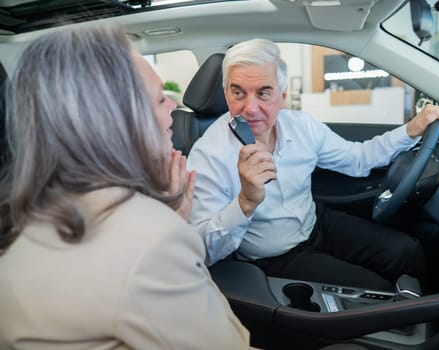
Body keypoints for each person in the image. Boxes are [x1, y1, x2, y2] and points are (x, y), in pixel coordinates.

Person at [0, 26, 251, 349]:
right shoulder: (152, 239)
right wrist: (174, 226)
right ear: (114, 119)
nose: (173, 104)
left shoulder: (25, 206)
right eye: (160, 97)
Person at [187, 38, 439, 291]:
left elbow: (358, 160)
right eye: (238, 93)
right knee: (377, 290)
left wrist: (411, 130)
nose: (250, 108)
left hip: (316, 224)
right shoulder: (208, 155)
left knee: (407, 251)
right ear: (226, 94)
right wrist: (245, 203)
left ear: (283, 95)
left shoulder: (303, 126)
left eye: (264, 92)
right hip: (274, 258)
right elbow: (204, 250)